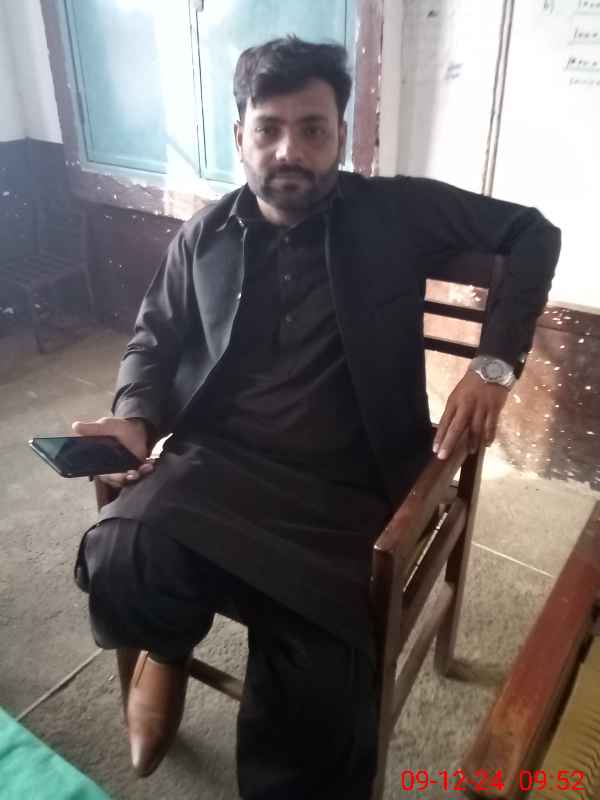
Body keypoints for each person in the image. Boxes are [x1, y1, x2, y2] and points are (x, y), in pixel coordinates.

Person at [72, 36, 560, 800]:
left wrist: (493, 364)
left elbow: (533, 231)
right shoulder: (205, 234)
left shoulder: (394, 211)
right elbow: (154, 340)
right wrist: (134, 418)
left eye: (312, 129)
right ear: (240, 136)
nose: (288, 150)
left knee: (322, 703)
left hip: (344, 492)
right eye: (268, 129)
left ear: (341, 134)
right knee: (121, 552)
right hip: (216, 470)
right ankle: (165, 653)